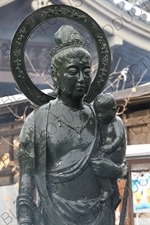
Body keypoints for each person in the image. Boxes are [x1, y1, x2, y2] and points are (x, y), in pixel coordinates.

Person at [16, 25, 127, 225]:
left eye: (86, 71)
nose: (81, 79)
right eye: (73, 71)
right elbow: (27, 178)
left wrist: (113, 170)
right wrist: (25, 218)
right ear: (56, 75)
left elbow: (121, 168)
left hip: (100, 212)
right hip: (54, 212)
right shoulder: (38, 121)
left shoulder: (103, 119)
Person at [93, 93, 127, 209]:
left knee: (100, 167)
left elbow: (120, 137)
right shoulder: (102, 123)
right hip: (107, 151)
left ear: (113, 111)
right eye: (97, 113)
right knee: (108, 175)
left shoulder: (116, 121)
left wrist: (111, 146)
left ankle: (107, 190)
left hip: (116, 153)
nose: (99, 115)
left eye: (102, 112)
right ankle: (116, 194)